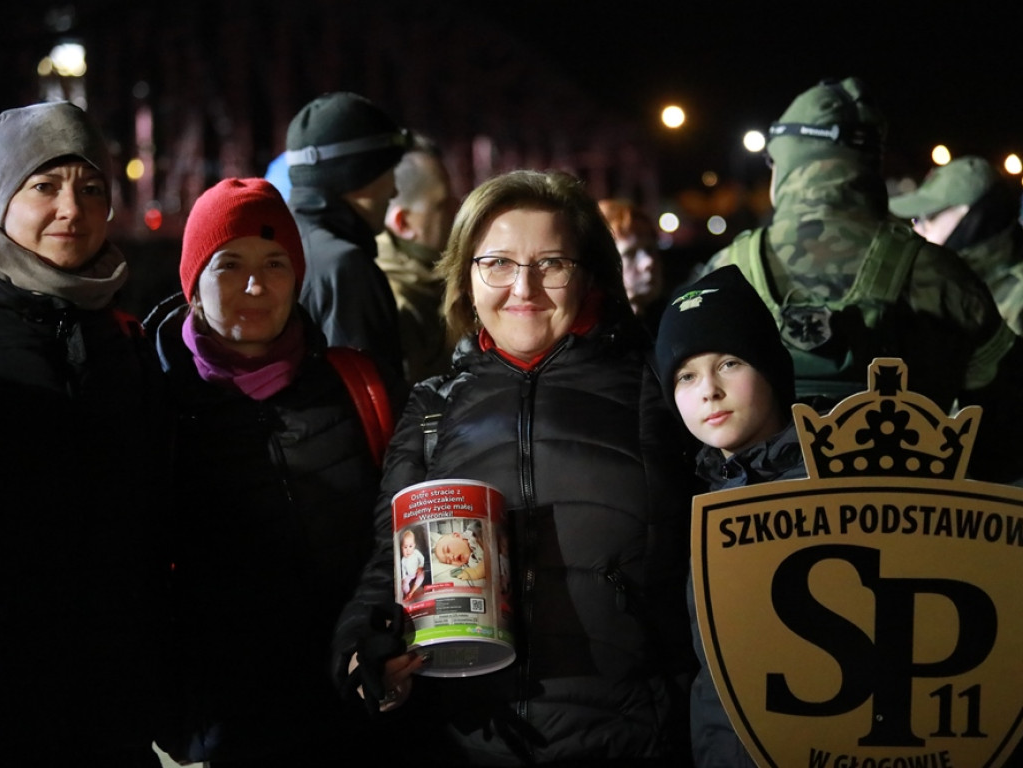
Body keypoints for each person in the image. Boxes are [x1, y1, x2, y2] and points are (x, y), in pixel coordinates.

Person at [333, 169, 698, 765]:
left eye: (551, 263)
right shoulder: (433, 405)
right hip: (473, 741)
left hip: (633, 739)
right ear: (466, 277)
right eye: (497, 263)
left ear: (588, 275)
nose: (524, 288)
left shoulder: (656, 388)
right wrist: (362, 652)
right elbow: (390, 563)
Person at [146, 178, 398, 766]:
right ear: (194, 284)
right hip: (230, 723)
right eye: (229, 264)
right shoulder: (151, 398)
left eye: (275, 263)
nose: (255, 285)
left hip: (360, 705)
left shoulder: (356, 385)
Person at [700, 76, 1023, 484]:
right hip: (916, 528)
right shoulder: (942, 275)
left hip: (756, 533)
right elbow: (1007, 425)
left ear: (784, 163)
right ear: (872, 163)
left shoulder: (724, 272)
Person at [0, 100, 170, 766]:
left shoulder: (124, 336)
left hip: (113, 696)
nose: (72, 208)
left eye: (91, 188)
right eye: (45, 185)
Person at [654, 264, 815, 768]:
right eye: (686, 375)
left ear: (769, 366)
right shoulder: (689, 495)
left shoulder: (830, 484)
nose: (708, 391)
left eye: (728, 363)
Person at [286, 91, 413, 383]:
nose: (394, 192)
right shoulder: (346, 268)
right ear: (358, 176)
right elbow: (372, 403)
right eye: (389, 171)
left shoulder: (281, 244)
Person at [889, 155, 1023, 334]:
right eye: (915, 220)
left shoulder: (1017, 301)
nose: (918, 230)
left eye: (929, 218)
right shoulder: (947, 289)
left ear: (973, 220)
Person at [376, 133, 457, 383]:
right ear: (403, 222)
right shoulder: (397, 303)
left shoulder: (426, 281)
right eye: (443, 205)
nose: (458, 210)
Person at [598, 197, 667, 337]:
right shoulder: (592, 336)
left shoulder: (673, 320)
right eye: (630, 253)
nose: (649, 262)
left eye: (650, 249)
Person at [400, 528, 426, 599]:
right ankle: (408, 593)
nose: (408, 550)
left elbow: (422, 558)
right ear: (402, 548)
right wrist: (404, 577)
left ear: (414, 545)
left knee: (422, 575)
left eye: (410, 546)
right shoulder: (403, 560)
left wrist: (420, 566)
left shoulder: (415, 552)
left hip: (417, 571)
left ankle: (413, 590)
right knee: (404, 585)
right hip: (409, 575)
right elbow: (403, 569)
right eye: (405, 547)